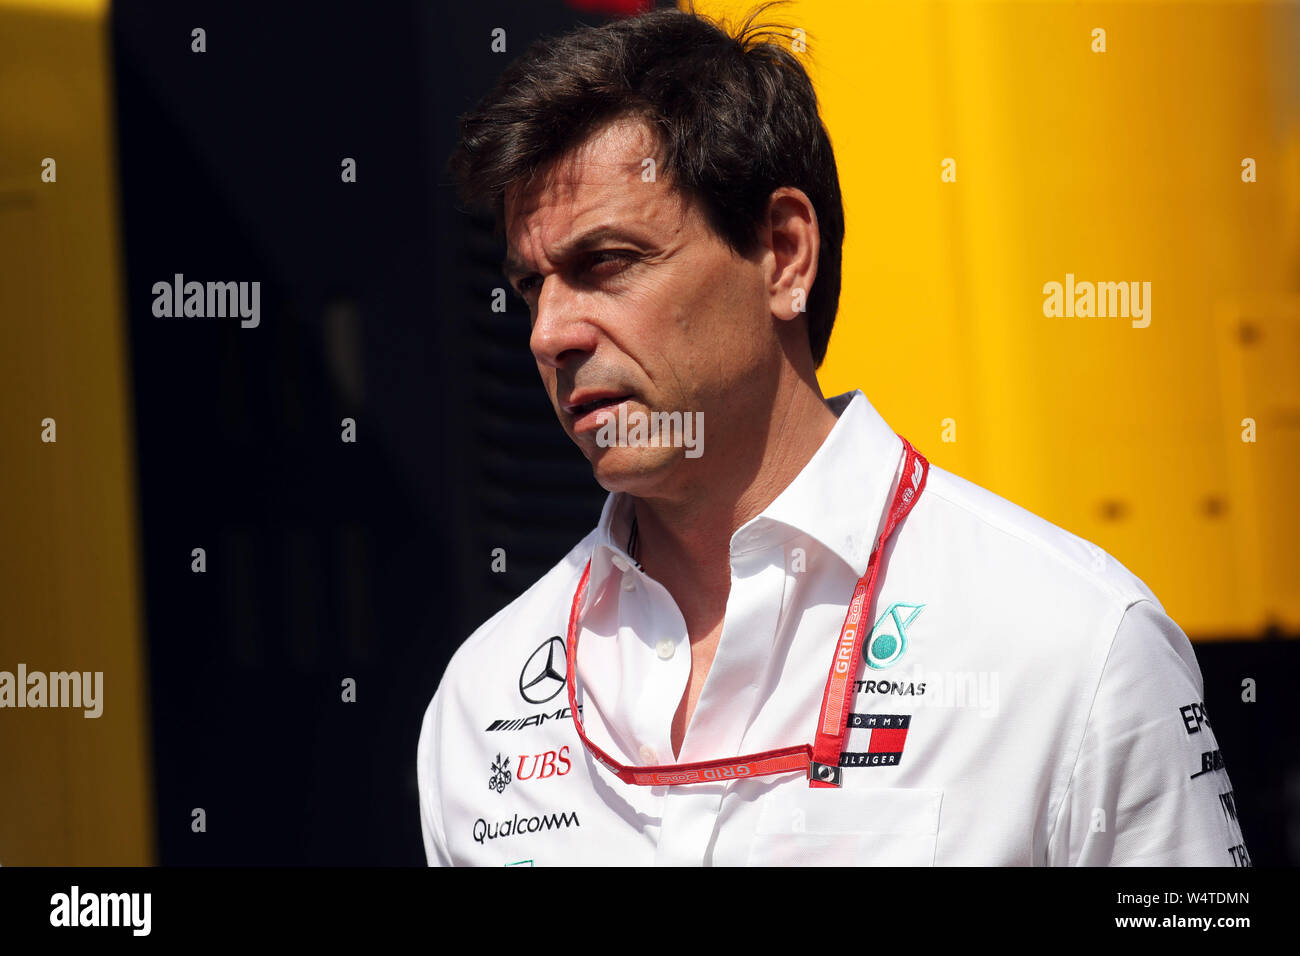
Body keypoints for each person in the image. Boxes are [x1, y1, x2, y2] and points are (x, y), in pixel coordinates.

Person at [417, 2, 1249, 866]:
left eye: (607, 264)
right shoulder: (482, 704)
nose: (550, 332)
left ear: (784, 254)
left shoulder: (1073, 642)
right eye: (530, 287)